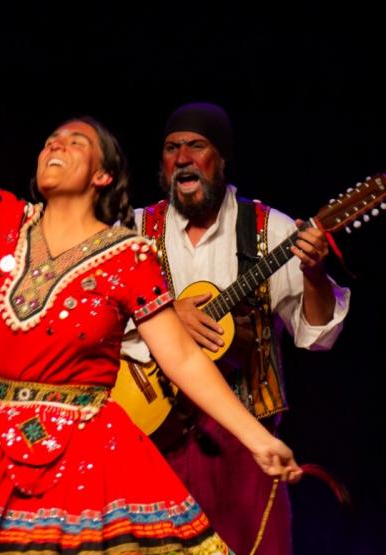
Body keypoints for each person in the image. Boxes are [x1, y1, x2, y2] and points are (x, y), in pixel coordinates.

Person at [0, 50, 303, 554]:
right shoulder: (10, 225)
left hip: (88, 461)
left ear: (103, 175)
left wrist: (257, 438)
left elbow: (183, 358)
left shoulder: (129, 256)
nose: (56, 145)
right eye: (51, 141)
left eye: (76, 143)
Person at [121, 102, 350, 555]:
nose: (182, 156)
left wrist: (314, 273)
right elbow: (95, 320)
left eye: (196, 146)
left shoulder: (270, 230)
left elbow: (318, 335)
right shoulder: (132, 232)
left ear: (221, 159)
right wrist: (165, 316)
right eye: (172, 148)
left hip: (245, 446)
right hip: (150, 434)